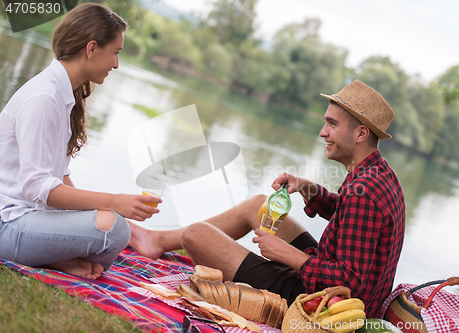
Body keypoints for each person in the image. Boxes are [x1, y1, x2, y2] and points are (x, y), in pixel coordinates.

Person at [132, 80, 406, 318]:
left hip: (323, 307)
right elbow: (348, 215)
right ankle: (157, 241)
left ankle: (166, 243)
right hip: (328, 283)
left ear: (361, 134)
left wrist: (287, 255)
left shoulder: (366, 193)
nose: (323, 132)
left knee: (196, 235)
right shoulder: (377, 174)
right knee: (259, 204)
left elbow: (350, 284)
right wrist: (305, 187)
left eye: (332, 124)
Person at [0, 3, 161, 280]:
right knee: (113, 229)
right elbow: (38, 187)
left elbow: (59, 177)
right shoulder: (44, 98)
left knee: (110, 222)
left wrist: (103, 207)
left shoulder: (63, 94)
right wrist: (112, 202)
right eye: (115, 53)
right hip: (8, 222)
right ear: (91, 48)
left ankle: (54, 256)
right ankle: (54, 258)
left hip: (29, 216)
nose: (116, 64)